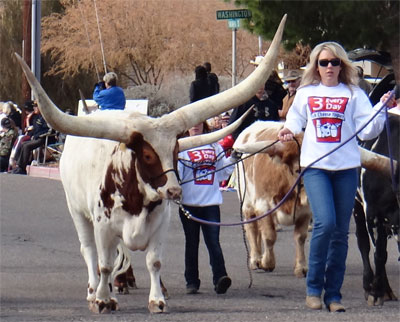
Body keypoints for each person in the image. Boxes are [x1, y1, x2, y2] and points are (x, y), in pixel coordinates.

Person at [277, 41, 397, 313]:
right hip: (317, 167)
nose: (329, 67)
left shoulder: (354, 94)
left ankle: (333, 295)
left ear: (342, 66)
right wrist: (287, 131)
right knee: (325, 224)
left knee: (341, 233)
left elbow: (368, 130)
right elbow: (295, 119)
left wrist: (380, 107)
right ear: (316, 67)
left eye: (334, 62)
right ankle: (313, 288)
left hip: (346, 169)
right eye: (323, 62)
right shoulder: (307, 94)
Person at [178, 121, 234, 295]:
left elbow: (223, 173)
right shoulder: (180, 147)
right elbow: (177, 175)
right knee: (192, 243)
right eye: (191, 122)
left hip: (211, 203)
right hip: (189, 204)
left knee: (213, 243)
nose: (195, 125)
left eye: (199, 122)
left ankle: (220, 278)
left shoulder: (214, 145)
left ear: (204, 124)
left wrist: (234, 158)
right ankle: (192, 282)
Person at [12, 103, 51, 175]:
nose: (34, 108)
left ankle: (22, 167)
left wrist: (38, 135)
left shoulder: (45, 118)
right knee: (23, 143)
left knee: (27, 146)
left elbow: (48, 130)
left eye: (36, 107)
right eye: (34, 107)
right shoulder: (36, 117)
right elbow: (35, 128)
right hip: (35, 137)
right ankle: (19, 166)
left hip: (41, 138)